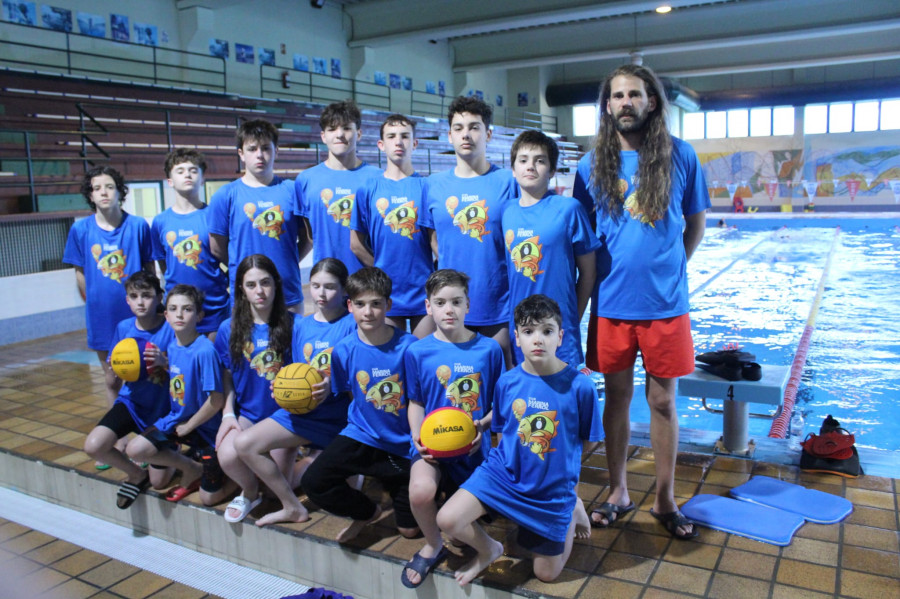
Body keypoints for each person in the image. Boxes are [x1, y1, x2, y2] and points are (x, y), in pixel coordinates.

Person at [572, 64, 709, 539]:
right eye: (617, 96)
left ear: (652, 102)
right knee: (617, 400)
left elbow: (694, 225)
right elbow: (582, 240)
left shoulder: (681, 156)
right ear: (607, 107)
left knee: (663, 402)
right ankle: (618, 491)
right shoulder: (589, 166)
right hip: (611, 305)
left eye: (635, 94)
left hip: (665, 307)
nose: (626, 102)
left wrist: (667, 270)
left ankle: (667, 499)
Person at [436, 295, 602, 586]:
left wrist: (563, 469)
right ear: (517, 338)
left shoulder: (580, 387)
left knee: (546, 575)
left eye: (547, 331)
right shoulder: (507, 382)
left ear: (560, 336)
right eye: (528, 332)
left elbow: (589, 440)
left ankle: (572, 507)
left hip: (551, 489)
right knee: (447, 519)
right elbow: (503, 431)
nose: (537, 339)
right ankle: (489, 549)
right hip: (505, 476)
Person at [234, 258, 357, 526]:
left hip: (340, 418)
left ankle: (342, 471)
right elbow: (290, 367)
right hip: (301, 414)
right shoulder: (298, 325)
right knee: (245, 444)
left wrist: (334, 384)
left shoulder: (353, 325)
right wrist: (282, 384)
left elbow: (362, 374)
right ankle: (292, 507)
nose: (321, 294)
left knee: (348, 494)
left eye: (330, 287)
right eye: (315, 286)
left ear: (344, 289)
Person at [400, 269, 504, 588]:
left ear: (468, 306)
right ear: (428, 307)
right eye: (440, 302)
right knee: (419, 493)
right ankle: (434, 545)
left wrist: (483, 428)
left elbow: (499, 405)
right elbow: (415, 402)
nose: (449, 309)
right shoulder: (417, 351)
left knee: (490, 514)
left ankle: (476, 529)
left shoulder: (489, 350)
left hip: (474, 448)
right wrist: (417, 437)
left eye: (456, 302)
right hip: (431, 446)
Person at [301, 267, 420, 543]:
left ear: (388, 305)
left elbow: (418, 399)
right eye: (360, 304)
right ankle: (367, 511)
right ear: (350, 306)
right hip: (362, 435)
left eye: (376, 304)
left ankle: (397, 483)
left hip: (401, 444)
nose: (368, 312)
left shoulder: (409, 348)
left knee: (409, 532)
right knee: (314, 482)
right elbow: (349, 393)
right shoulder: (343, 349)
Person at [63, 166, 153, 467]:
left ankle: (146, 439)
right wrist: (94, 304)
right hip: (103, 317)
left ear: (119, 191)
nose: (103, 191)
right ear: (90, 194)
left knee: (145, 374)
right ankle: (117, 439)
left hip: (138, 317)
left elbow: (150, 272)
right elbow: (80, 275)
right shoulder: (80, 230)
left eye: (109, 186)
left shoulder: (138, 226)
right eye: (97, 187)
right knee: (112, 377)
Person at [419, 95, 518, 367]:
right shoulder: (433, 185)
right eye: (459, 128)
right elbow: (433, 239)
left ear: (488, 133)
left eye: (474, 127)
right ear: (449, 135)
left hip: (498, 304)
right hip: (451, 306)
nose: (467, 135)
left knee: (500, 386)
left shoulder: (508, 182)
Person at [125, 284, 231, 506]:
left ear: (199, 315)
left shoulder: (205, 351)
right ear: (166, 315)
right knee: (135, 449)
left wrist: (189, 426)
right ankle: (192, 468)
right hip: (177, 422)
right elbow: (181, 378)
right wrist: (164, 364)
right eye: (173, 309)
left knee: (209, 499)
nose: (179, 315)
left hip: (205, 430)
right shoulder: (173, 346)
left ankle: (238, 480)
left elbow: (216, 400)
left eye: (187, 309)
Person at [501, 130, 599, 367]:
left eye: (540, 160)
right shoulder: (507, 212)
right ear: (513, 170)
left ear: (552, 170)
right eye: (523, 160)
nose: (530, 166)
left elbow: (588, 272)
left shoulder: (569, 210)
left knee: (564, 399)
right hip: (520, 327)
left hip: (559, 328)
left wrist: (571, 317)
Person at [213, 254, 294, 523]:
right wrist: (228, 415)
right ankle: (249, 491)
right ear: (241, 289)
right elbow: (228, 375)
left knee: (279, 489)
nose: (259, 291)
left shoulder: (294, 325)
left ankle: (309, 461)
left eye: (265, 282)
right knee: (227, 456)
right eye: (251, 285)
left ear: (276, 284)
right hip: (249, 413)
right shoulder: (229, 329)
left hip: (284, 417)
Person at [83, 271, 174, 509]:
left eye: (147, 295)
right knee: (94, 446)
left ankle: (176, 452)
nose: (140, 301)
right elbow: (116, 372)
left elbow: (188, 370)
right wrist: (116, 367)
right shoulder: (123, 328)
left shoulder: (170, 328)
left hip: (163, 413)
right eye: (134, 296)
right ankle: (136, 475)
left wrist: (165, 363)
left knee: (161, 482)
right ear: (127, 300)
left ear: (158, 297)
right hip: (131, 404)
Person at [208, 119, 307, 313]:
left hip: (288, 293)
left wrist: (288, 260)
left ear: (276, 151)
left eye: (266, 148)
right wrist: (245, 268)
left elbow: (307, 238)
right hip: (246, 296)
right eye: (252, 149)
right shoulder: (225, 195)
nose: (260, 155)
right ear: (241, 154)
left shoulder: (292, 190)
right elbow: (217, 247)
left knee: (291, 344)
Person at [350, 114, 435, 338]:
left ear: (414, 144)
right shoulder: (367, 190)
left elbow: (436, 243)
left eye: (405, 136)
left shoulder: (427, 187)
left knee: (423, 359)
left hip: (422, 291)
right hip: (385, 293)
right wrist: (380, 271)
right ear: (381, 144)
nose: (398, 142)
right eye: (391, 136)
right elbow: (356, 244)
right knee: (391, 362)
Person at [295, 100, 381, 275]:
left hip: (368, 281)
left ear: (359, 133)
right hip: (326, 282)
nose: (340, 134)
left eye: (347, 128)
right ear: (323, 136)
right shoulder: (305, 180)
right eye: (332, 129)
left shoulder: (377, 178)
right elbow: (310, 236)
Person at [151, 148, 229, 339]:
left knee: (217, 366)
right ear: (170, 181)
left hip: (214, 308)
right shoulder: (160, 222)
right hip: (179, 312)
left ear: (202, 179)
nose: (187, 174)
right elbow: (164, 265)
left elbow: (229, 259)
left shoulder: (214, 216)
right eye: (180, 171)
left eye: (193, 170)